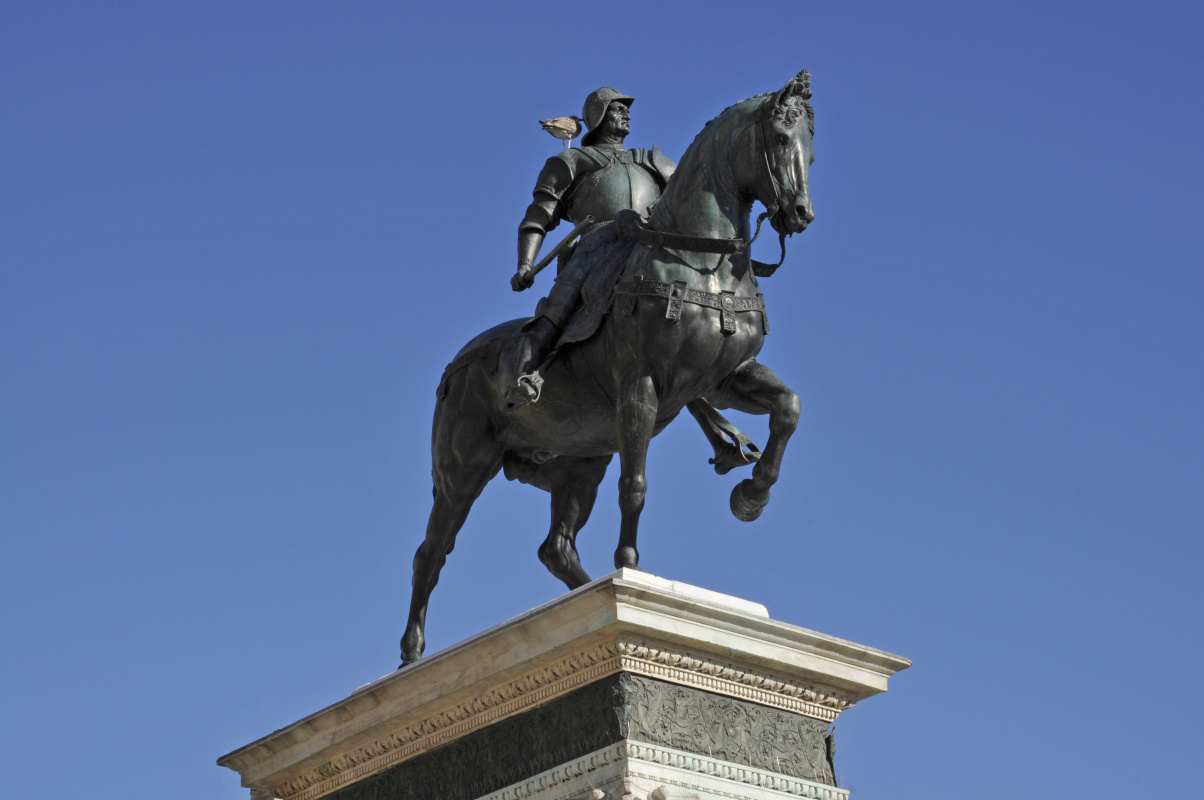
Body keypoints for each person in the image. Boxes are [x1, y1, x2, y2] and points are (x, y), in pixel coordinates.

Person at [506, 87, 760, 474]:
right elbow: (538, 216)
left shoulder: (652, 160)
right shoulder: (572, 160)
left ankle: (721, 432)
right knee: (556, 312)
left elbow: (688, 197)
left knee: (675, 332)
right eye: (617, 108)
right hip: (596, 248)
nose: (625, 114)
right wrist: (526, 263)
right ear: (598, 115)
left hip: (648, 245)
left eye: (626, 109)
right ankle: (526, 378)